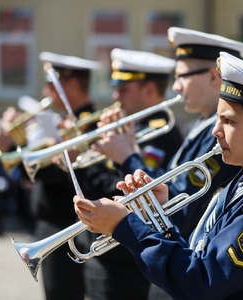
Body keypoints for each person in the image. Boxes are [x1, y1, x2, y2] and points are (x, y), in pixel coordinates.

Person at [74, 51, 243, 299]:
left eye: (228, 122)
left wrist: (125, 226)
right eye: (217, 119)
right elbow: (199, 254)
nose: (215, 131)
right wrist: (161, 212)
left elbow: (201, 279)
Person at [93, 28, 243, 299]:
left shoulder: (220, 137)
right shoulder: (199, 128)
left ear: (214, 76)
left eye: (181, 77)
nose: (176, 87)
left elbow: (183, 206)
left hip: (187, 262)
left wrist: (128, 157)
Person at [82, 48, 184, 300]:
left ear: (149, 90)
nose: (115, 95)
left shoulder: (161, 132)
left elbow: (125, 190)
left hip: (125, 263)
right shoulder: (131, 126)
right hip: (106, 254)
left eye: (124, 88)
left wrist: (101, 161)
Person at [29, 51, 102, 300]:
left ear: (70, 84)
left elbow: (52, 178)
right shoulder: (64, 123)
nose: (45, 91)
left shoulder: (89, 126)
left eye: (50, 85)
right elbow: (31, 172)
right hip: (52, 226)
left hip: (65, 228)